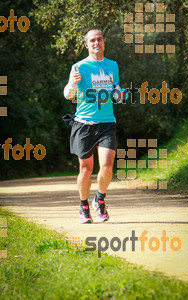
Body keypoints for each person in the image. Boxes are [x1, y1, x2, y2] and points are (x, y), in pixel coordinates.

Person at [63, 29, 120, 223]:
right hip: (84, 124)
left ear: (104, 42)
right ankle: (83, 206)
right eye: (92, 40)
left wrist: (119, 93)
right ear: (87, 45)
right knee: (86, 169)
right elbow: (68, 95)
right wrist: (72, 84)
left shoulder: (113, 65)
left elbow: (115, 89)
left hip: (107, 123)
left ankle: (100, 200)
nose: (97, 43)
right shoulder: (79, 66)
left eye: (100, 39)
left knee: (106, 165)